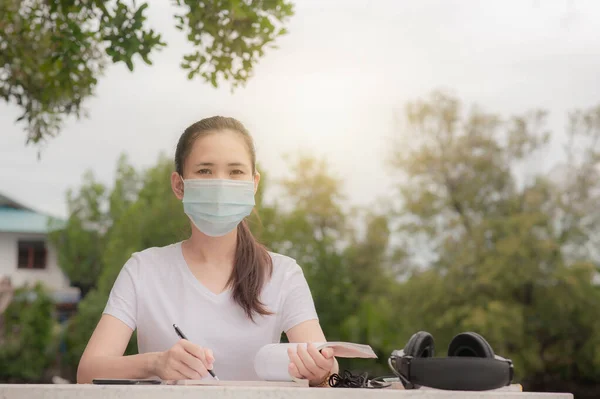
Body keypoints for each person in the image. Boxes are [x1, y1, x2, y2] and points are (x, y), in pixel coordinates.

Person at [77, 116, 339, 386]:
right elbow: (88, 372)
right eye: (205, 171)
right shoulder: (143, 270)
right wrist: (156, 363)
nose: (221, 184)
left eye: (235, 172)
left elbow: (328, 368)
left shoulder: (283, 274)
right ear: (179, 185)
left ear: (254, 183)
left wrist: (320, 369)